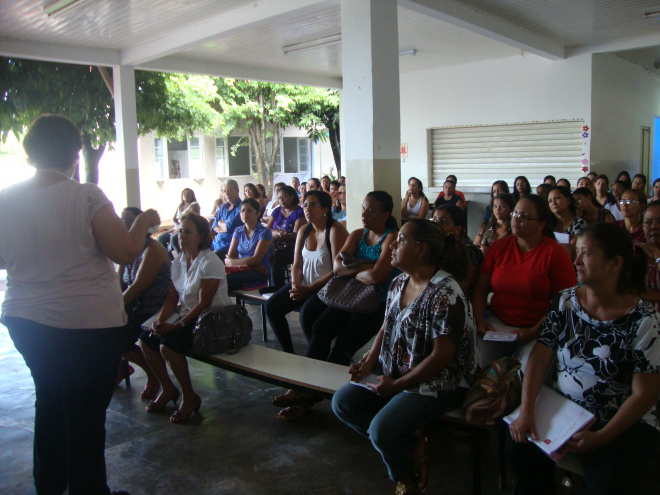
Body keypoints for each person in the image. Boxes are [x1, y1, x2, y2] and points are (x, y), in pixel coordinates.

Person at [0, 114, 161, 495]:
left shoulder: (6, 198)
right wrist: (146, 222)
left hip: (27, 319)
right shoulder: (85, 194)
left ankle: (50, 488)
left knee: (51, 403)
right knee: (85, 416)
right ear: (75, 153)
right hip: (87, 324)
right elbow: (124, 251)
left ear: (29, 153)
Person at [506, 223, 660, 495]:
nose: (575, 260)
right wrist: (527, 409)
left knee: (607, 482)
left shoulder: (645, 321)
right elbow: (540, 358)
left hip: (621, 421)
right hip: (567, 410)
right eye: (576, 252)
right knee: (518, 449)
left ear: (615, 264)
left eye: (585, 254)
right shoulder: (565, 302)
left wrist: (602, 437)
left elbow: (643, 395)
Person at [332, 219, 478, 495]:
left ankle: (406, 482)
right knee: (343, 403)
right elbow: (387, 324)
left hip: (441, 381)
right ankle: (413, 443)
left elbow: (442, 357)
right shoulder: (399, 282)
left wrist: (396, 386)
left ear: (421, 249)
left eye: (400, 240)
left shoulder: (445, 292)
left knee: (381, 430)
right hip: (400, 371)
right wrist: (370, 362)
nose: (393, 246)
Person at [279, 192, 399, 420]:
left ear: (385, 215)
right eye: (363, 208)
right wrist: (364, 267)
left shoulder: (391, 238)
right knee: (320, 328)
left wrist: (356, 269)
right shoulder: (356, 234)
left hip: (375, 306)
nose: (364, 214)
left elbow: (378, 276)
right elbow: (338, 267)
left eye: (371, 210)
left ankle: (307, 397)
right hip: (349, 298)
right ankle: (306, 388)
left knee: (342, 347)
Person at [140, 213, 230, 424]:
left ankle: (189, 397)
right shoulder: (179, 260)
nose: (182, 236)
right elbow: (172, 298)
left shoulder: (210, 261)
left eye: (188, 232)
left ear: (200, 236)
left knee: (168, 346)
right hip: (190, 315)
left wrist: (177, 326)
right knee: (146, 339)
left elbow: (203, 304)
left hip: (213, 321)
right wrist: (161, 320)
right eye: (180, 231)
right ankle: (168, 388)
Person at [472, 195, 576, 366]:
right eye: (515, 214)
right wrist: (480, 321)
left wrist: (534, 331)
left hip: (538, 327)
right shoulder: (499, 247)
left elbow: (565, 302)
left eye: (524, 217)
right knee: (477, 362)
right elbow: (481, 287)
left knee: (524, 371)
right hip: (499, 324)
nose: (516, 219)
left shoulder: (555, 253)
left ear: (541, 224)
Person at [265, 191, 348, 355]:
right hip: (304, 284)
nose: (307, 209)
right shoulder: (304, 229)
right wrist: (296, 286)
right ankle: (289, 353)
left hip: (326, 287)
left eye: (313, 205)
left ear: (325, 209)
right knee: (272, 307)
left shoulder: (335, 230)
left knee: (306, 315)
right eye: (305, 205)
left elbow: (337, 270)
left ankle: (317, 355)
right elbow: (296, 264)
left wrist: (309, 290)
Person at [118, 207, 171, 399]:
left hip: (155, 309)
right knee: (109, 332)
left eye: (131, 220)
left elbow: (139, 286)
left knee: (123, 337)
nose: (126, 225)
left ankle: (153, 376)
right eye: (123, 220)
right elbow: (120, 282)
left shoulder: (153, 249)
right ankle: (120, 370)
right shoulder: (128, 249)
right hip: (135, 308)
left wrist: (116, 306)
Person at [432, 205, 483, 294]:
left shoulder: (470, 252)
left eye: (443, 221)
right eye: (434, 220)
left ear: (457, 228)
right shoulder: (434, 246)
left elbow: (464, 286)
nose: (436, 225)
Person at [226, 198, 273, 291]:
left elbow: (256, 260)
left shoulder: (264, 232)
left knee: (226, 281)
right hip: (247, 269)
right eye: (242, 210)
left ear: (258, 213)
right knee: (218, 278)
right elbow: (230, 256)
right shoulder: (238, 231)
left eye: (249, 211)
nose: (245, 214)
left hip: (260, 272)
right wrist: (251, 264)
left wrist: (232, 262)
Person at [266, 185, 307, 286]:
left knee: (276, 259)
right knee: (264, 254)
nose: (281, 200)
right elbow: (267, 229)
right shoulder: (277, 211)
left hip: (293, 247)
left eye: (284, 196)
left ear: (292, 196)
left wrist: (284, 236)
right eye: (279, 197)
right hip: (276, 244)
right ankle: (263, 284)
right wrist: (278, 233)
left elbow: (296, 235)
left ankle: (277, 288)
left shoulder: (299, 212)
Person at [157, 188, 201, 255]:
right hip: (177, 228)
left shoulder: (194, 205)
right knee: (160, 238)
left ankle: (181, 256)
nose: (186, 195)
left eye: (188, 194)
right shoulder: (180, 205)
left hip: (186, 229)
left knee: (173, 239)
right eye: (184, 194)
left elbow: (191, 220)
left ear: (192, 195)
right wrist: (177, 225)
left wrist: (180, 228)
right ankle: (168, 258)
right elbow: (174, 219)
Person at [548, 185, 587, 254]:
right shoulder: (547, 224)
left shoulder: (579, 223)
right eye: (550, 201)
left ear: (568, 200)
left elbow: (571, 249)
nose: (553, 203)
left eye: (557, 198)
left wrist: (548, 247)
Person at [211, 179, 243, 260]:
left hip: (229, 246)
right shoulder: (224, 207)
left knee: (211, 259)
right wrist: (223, 225)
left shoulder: (242, 207)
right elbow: (214, 226)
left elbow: (230, 226)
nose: (226, 194)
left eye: (229, 190)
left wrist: (220, 223)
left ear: (237, 191)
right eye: (224, 191)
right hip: (216, 243)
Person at [639, 201, 660, 311]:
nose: (654, 226)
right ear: (642, 227)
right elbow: (631, 290)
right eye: (648, 222)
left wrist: (657, 255)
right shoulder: (635, 253)